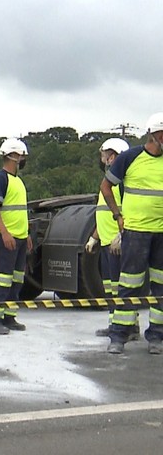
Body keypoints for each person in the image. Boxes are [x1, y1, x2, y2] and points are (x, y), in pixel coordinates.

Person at [101, 113, 163, 355]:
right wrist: (118, 215)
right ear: (157, 135)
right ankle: (119, 335)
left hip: (161, 234)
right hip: (136, 232)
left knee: (161, 286)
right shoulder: (130, 158)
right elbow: (106, 186)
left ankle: (157, 336)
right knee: (129, 284)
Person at [0, 138, 32, 335]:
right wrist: (4, 232)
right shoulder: (0, 179)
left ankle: (9, 317)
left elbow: (20, 211)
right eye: (21, 156)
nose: (22, 160)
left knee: (17, 280)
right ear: (14, 156)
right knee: (3, 279)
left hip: (19, 237)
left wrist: (26, 234)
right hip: (6, 237)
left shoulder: (18, 181)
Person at [86, 138, 130, 338]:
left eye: (103, 155)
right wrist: (94, 237)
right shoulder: (108, 184)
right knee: (112, 288)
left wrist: (122, 236)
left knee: (123, 288)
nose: (102, 159)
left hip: (117, 244)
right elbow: (104, 214)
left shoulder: (122, 185)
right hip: (106, 243)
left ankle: (126, 328)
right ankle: (116, 324)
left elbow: (130, 214)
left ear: (112, 156)